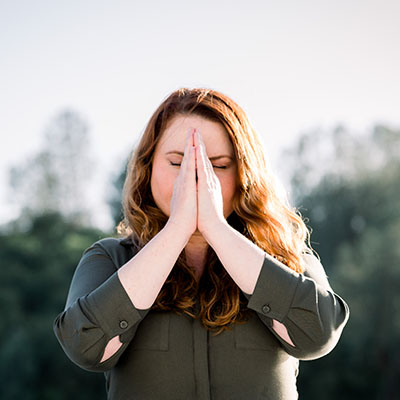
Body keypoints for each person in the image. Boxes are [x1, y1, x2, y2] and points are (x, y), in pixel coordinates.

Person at [54, 88, 349, 399]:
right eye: (178, 162)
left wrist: (214, 228)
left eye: (218, 166)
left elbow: (318, 335)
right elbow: (83, 346)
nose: (196, 178)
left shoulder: (286, 256)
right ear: (149, 167)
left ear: (245, 174)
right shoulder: (110, 258)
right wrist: (178, 228)